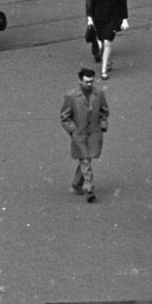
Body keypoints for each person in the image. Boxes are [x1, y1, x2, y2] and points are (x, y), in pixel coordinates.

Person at [60, 66, 108, 204]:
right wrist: (73, 130)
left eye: (91, 81)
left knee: (86, 158)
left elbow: (104, 111)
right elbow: (65, 117)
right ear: (80, 81)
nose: (89, 84)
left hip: (94, 132)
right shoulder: (71, 96)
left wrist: (103, 124)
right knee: (85, 159)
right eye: (86, 82)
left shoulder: (99, 93)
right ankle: (90, 188)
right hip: (79, 134)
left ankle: (77, 183)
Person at [87, 0, 129, 78]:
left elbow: (123, 5)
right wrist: (90, 19)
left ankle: (104, 70)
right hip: (99, 19)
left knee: (107, 41)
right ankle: (108, 61)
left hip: (113, 19)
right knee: (101, 41)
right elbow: (93, 3)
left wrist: (124, 20)